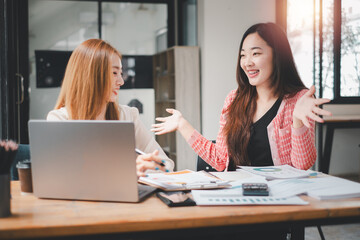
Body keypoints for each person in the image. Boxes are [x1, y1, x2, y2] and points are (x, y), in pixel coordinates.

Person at [151, 22, 332, 172]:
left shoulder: (299, 100)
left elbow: (303, 165)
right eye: (243, 55)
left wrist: (297, 121)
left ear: (278, 56)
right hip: (242, 195)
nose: (247, 62)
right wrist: (183, 125)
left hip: (283, 199)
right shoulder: (233, 100)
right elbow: (221, 160)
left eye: (256, 53)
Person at [47, 39, 174, 177]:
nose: (121, 81)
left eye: (121, 73)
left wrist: (145, 167)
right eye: (114, 73)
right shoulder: (59, 120)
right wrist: (124, 170)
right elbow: (61, 175)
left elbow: (165, 164)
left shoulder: (128, 115)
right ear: (91, 75)